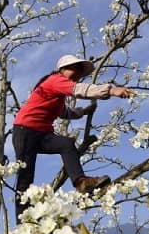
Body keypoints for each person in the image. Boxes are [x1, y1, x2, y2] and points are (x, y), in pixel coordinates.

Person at [12, 54, 133, 218]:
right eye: (74, 68)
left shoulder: (58, 93)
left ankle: (81, 182)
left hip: (42, 135)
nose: (77, 73)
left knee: (65, 144)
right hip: (25, 130)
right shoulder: (55, 80)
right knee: (25, 179)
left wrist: (84, 112)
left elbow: (65, 112)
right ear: (61, 69)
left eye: (80, 71)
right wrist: (111, 90)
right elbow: (80, 90)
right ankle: (24, 223)